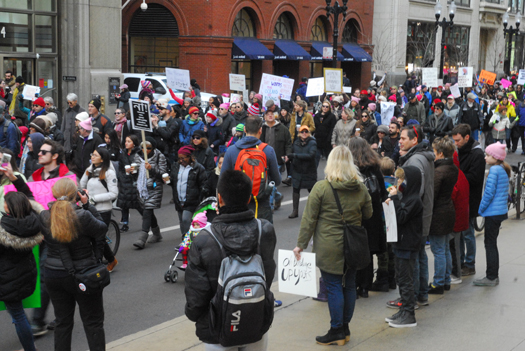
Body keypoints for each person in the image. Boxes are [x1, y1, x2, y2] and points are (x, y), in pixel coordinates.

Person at [185, 170, 277, 350]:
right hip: (255, 321)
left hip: (217, 330)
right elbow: (268, 275)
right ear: (249, 198)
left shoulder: (204, 239)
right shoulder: (264, 230)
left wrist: (196, 317)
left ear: (219, 199)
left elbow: (196, 299)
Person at [294, 146, 372, 345]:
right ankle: (345, 328)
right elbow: (369, 214)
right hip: (353, 244)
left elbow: (309, 219)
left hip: (329, 244)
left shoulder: (322, 187)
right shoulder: (360, 187)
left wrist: (300, 245)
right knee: (350, 284)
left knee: (334, 285)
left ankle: (336, 329)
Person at [39, 177, 107, 351]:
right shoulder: (82, 215)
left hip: (54, 273)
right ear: (75, 194)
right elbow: (101, 228)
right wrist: (88, 205)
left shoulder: (45, 216)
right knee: (93, 322)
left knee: (62, 322)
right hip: (83, 273)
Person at [388, 124, 434, 308]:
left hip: (414, 217)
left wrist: (396, 197)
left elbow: (413, 191)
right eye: (399, 138)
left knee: (411, 260)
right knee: (420, 256)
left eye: (403, 138)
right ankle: (420, 294)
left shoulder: (414, 161)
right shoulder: (422, 156)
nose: (399, 141)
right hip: (423, 214)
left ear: (414, 140)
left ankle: (411, 298)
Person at [0, 190, 43, 351]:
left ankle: (30, 349)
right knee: (17, 313)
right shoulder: (32, 222)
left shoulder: (4, 228)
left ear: (10, 207)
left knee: (17, 315)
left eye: (5, 202)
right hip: (26, 274)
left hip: (7, 279)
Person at [348, 137, 388, 298]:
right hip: (374, 214)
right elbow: (383, 192)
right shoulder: (375, 167)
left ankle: (355, 284)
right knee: (369, 251)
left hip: (357, 215)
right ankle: (365, 286)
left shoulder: (351, 170)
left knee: (355, 251)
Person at [222, 116, 281, 223]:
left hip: (238, 205)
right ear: (260, 130)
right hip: (261, 204)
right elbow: (277, 180)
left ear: (244, 129)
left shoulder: (231, 151)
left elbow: (222, 181)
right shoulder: (268, 150)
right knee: (262, 235)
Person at [384, 166, 423, 328]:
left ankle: (409, 313)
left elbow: (401, 217)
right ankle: (404, 310)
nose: (398, 182)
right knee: (400, 278)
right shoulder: (406, 197)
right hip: (401, 243)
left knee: (406, 280)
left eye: (401, 179)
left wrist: (394, 200)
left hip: (408, 245)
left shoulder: (414, 200)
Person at [451, 124, 485, 277]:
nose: (456, 144)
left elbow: (475, 178)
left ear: (466, 137)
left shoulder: (476, 153)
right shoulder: (458, 151)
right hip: (459, 198)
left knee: (468, 232)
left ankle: (470, 264)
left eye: (458, 140)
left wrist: (457, 178)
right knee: (459, 232)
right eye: (454, 141)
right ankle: (460, 261)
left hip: (470, 198)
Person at [475, 142, 510, 286]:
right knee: (492, 243)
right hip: (500, 211)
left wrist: (480, 209)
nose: (485, 157)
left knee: (489, 244)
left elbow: (488, 194)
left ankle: (491, 277)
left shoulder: (494, 170)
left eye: (488, 155)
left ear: (495, 157)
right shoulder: (502, 169)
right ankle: (493, 275)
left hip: (492, 213)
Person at [80, 147, 119, 272]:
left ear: (102, 158)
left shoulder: (109, 173)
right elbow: (81, 185)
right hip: (89, 208)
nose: (92, 157)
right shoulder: (90, 170)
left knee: (99, 238)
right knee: (93, 237)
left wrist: (94, 198)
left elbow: (113, 193)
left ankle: (107, 262)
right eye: (92, 154)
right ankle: (106, 259)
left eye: (95, 155)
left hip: (103, 210)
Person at [427, 137, 458, 294]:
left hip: (439, 214)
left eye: (434, 151)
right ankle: (445, 280)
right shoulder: (452, 168)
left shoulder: (439, 171)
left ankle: (438, 282)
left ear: (439, 153)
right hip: (448, 211)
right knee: (444, 248)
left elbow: (432, 195)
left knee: (438, 249)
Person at [132, 137, 168, 249]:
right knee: (148, 211)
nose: (145, 150)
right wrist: (131, 171)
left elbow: (162, 173)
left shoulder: (159, 156)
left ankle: (142, 238)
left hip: (154, 188)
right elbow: (135, 173)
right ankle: (157, 234)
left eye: (148, 148)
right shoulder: (137, 156)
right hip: (141, 188)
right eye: (143, 147)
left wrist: (151, 168)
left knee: (147, 210)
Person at [169, 145, 208, 240]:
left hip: (191, 200)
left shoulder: (198, 168)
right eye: (179, 158)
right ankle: (186, 240)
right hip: (179, 199)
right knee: (182, 221)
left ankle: (188, 241)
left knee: (186, 219)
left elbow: (204, 183)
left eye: (183, 158)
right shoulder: (176, 166)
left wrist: (200, 197)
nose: (181, 160)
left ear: (190, 157)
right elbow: (173, 181)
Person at [260, 108, 292, 211]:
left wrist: (287, 155)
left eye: (272, 114)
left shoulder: (282, 128)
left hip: (277, 159)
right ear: (264, 117)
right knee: (267, 181)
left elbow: (288, 143)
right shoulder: (261, 129)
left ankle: (270, 205)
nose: (270, 115)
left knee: (271, 181)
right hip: (263, 158)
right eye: (268, 114)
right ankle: (277, 196)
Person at [285, 125, 317, 219]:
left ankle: (316, 210)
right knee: (295, 189)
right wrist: (287, 157)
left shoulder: (312, 143)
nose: (304, 133)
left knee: (312, 191)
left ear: (309, 133)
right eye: (302, 131)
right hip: (297, 170)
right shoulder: (296, 143)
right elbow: (290, 151)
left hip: (309, 170)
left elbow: (311, 155)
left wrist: (294, 156)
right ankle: (295, 211)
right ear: (299, 133)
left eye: (306, 131)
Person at [117, 134, 142, 232]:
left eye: (129, 141)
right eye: (126, 141)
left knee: (138, 203)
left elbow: (141, 166)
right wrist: (121, 177)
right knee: (124, 204)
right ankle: (125, 223)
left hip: (134, 181)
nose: (126, 143)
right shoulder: (123, 153)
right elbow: (120, 167)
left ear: (134, 144)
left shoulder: (138, 153)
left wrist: (136, 171)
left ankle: (147, 219)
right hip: (125, 180)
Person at [314, 101, 337, 166]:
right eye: (323, 106)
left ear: (329, 108)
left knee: (329, 160)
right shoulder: (317, 116)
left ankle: (330, 174)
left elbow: (332, 129)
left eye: (327, 106)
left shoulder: (332, 116)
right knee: (315, 159)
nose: (325, 108)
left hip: (327, 141)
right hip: (317, 140)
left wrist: (329, 139)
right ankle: (313, 175)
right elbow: (314, 127)